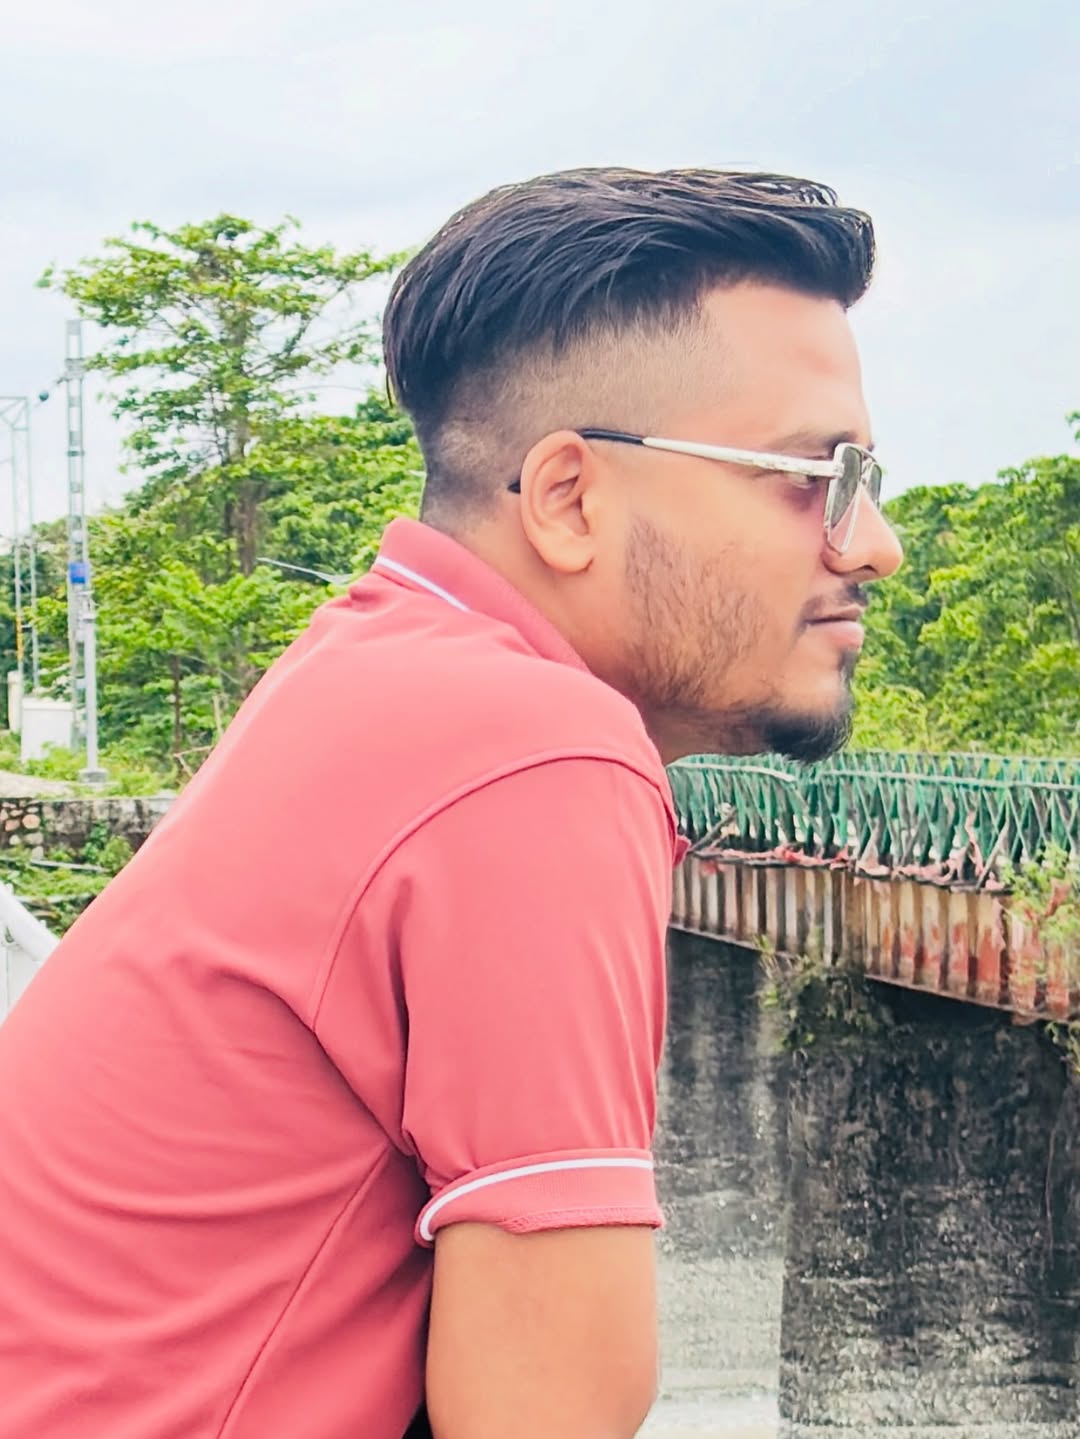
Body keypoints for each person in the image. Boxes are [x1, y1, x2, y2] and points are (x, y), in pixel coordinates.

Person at [0, 168, 902, 1439]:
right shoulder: (538, 749)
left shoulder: (371, 662)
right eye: (813, 473)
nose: (872, 543)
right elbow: (543, 1416)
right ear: (570, 498)